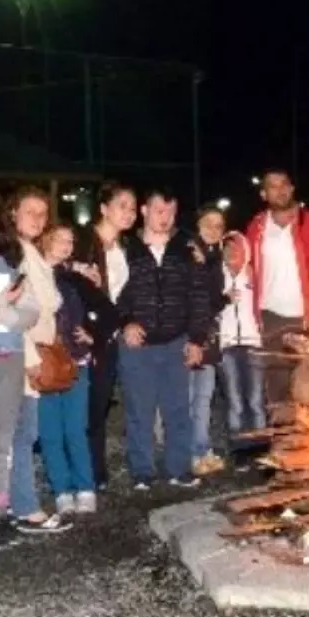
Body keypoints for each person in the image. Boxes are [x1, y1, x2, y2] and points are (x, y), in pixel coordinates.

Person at [116, 188, 212, 489]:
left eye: (170, 212)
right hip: (137, 345)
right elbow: (112, 292)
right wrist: (125, 322)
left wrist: (197, 338)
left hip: (175, 341)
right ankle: (142, 470)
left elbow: (199, 295)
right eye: (159, 210)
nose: (165, 218)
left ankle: (178, 468)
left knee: (177, 410)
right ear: (144, 211)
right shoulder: (124, 246)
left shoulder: (185, 247)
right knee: (139, 411)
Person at [246, 169, 309, 410]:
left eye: (284, 184)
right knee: (276, 386)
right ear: (263, 193)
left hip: (307, 317)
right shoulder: (257, 228)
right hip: (271, 317)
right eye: (272, 186)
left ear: (292, 189)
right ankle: (283, 443)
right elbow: (242, 264)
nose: (280, 190)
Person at [38, 224, 118, 515]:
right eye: (60, 239)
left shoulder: (74, 279)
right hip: (42, 365)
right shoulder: (29, 273)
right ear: (45, 240)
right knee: (50, 431)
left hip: (75, 363)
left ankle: (85, 487)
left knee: (76, 428)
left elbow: (109, 311)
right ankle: (61, 490)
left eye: (70, 241)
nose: (66, 246)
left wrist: (93, 333)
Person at [7, 187, 70, 533]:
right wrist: (30, 358)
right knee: (17, 434)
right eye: (29, 211)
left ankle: (18, 505)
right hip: (18, 355)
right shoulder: (15, 254)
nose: (37, 219)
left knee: (22, 434)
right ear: (13, 212)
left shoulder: (30, 252)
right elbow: (11, 311)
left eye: (43, 213)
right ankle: (24, 508)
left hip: (31, 353)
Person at [73, 181, 137, 490]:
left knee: (98, 406)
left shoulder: (125, 247)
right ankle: (85, 475)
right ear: (103, 208)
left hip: (108, 337)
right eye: (122, 205)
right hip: (86, 336)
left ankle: (95, 473)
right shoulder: (83, 242)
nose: (129, 213)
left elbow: (123, 296)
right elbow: (66, 282)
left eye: (133, 207)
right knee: (84, 408)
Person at [0, 184, 40, 550]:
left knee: (0, 443)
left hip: (8, 357)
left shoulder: (7, 256)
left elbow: (32, 311)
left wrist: (1, 310)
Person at [216, 231, 266, 468]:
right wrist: (221, 298)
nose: (231, 253)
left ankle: (261, 450)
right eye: (226, 249)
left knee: (255, 399)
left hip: (253, 343)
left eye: (236, 248)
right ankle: (240, 451)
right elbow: (208, 306)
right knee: (235, 401)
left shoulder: (254, 275)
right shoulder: (217, 277)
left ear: (245, 250)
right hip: (227, 345)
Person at [189, 206, 227, 476]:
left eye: (219, 225)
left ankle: (202, 448)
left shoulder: (214, 257)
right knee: (190, 397)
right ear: (197, 225)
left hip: (210, 334)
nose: (214, 230)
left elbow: (213, 299)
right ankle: (190, 453)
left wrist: (225, 299)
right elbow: (193, 298)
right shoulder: (190, 254)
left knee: (204, 397)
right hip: (192, 335)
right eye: (208, 223)